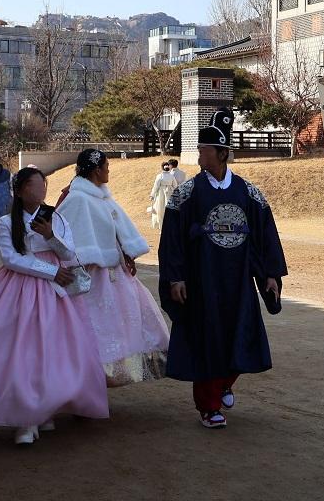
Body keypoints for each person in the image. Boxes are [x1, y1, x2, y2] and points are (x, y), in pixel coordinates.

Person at [0, 167, 108, 445]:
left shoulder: (56, 217)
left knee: (52, 350)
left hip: (55, 291)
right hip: (19, 288)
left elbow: (70, 252)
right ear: (23, 189)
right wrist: (50, 272)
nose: (43, 191)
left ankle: (44, 409)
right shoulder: (5, 222)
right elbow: (11, 259)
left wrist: (50, 236)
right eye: (38, 186)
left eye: (44, 186)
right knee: (21, 350)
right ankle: (25, 417)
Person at [159, 109, 287, 429]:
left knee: (242, 335)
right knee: (207, 341)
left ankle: (225, 382)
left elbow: (265, 237)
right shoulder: (186, 194)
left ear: (221, 153)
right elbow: (171, 239)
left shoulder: (249, 193)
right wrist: (175, 277)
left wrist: (270, 275)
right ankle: (209, 406)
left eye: (204, 150)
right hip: (202, 283)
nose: (200, 154)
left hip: (239, 281)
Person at [57, 149, 169, 385]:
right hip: (92, 277)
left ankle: (103, 376)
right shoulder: (77, 198)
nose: (109, 169)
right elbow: (67, 236)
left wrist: (126, 251)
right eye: (106, 165)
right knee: (96, 327)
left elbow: (115, 228)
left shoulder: (100, 196)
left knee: (121, 324)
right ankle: (88, 378)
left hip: (113, 273)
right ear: (97, 169)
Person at [149, 162, 178, 230]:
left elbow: (155, 186)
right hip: (169, 194)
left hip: (161, 194)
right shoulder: (171, 176)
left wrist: (152, 195)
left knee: (160, 211)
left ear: (162, 168)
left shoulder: (159, 176)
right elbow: (175, 186)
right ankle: (170, 227)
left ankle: (161, 227)